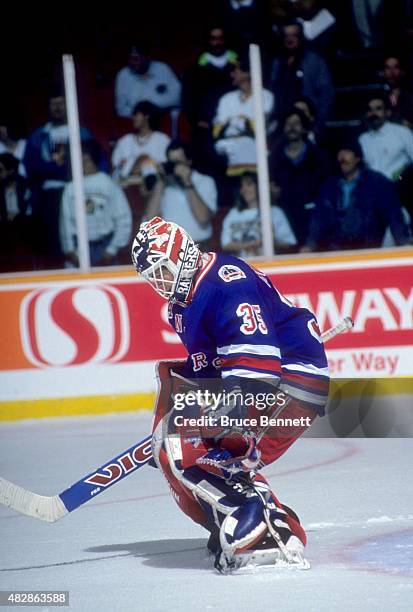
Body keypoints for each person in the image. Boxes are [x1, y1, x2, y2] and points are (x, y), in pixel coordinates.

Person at [131, 216, 330, 572]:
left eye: (161, 270)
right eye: (151, 277)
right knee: (174, 447)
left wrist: (221, 422)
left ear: (181, 255)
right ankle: (230, 519)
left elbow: (258, 366)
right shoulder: (180, 305)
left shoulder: (227, 281)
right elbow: (208, 370)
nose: (157, 283)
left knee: (208, 451)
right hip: (262, 380)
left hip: (292, 382)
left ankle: (268, 531)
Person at [23, 92, 93, 269]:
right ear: (48, 108)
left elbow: (89, 161)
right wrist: (58, 168)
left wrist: (54, 168)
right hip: (47, 197)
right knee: (50, 241)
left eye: (61, 104)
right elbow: (32, 166)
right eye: (54, 104)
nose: (58, 108)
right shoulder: (38, 135)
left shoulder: (81, 132)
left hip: (75, 191)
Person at [303, 141, 411, 252]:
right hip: (334, 252)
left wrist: (404, 243)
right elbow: (317, 220)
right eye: (340, 152)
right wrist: (309, 245)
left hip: (367, 251)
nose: (342, 157)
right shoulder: (329, 186)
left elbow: (394, 216)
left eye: (347, 152)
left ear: (358, 158)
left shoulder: (377, 183)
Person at [60, 140, 132, 267]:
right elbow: (65, 223)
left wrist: (112, 250)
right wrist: (70, 250)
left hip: (104, 246)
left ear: (88, 158)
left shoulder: (109, 184)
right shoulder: (70, 188)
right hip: (78, 248)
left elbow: (123, 219)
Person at [270, 108, 329, 247]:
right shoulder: (274, 157)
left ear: (304, 128)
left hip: (312, 215)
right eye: (288, 124)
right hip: (285, 215)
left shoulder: (318, 156)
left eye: (296, 123)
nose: (292, 128)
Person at [144, 140, 217, 248]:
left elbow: (203, 218)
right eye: (171, 162)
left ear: (189, 161)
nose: (174, 167)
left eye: (178, 162)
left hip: (199, 248)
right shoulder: (164, 185)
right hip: (170, 250)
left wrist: (188, 182)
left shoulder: (205, 181)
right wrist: (160, 181)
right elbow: (149, 219)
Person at [213, 54, 274, 179]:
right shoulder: (226, 99)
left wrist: (237, 123)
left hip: (256, 153)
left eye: (235, 71)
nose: (232, 74)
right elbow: (218, 130)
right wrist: (243, 123)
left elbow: (259, 128)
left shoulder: (266, 96)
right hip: (228, 154)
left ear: (247, 73)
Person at [270, 20, 334, 133]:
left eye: (294, 35)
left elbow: (326, 93)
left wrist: (317, 123)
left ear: (301, 37)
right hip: (284, 119)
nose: (290, 39)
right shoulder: (277, 62)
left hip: (308, 119)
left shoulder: (315, 61)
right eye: (286, 36)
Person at [221, 171, 297, 256]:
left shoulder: (275, 212)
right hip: (240, 265)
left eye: (249, 184)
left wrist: (268, 242)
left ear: (260, 186)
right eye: (242, 186)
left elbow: (289, 242)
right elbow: (225, 244)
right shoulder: (233, 213)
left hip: (267, 262)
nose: (244, 189)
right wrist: (249, 245)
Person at [114, 45, 181, 118]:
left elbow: (177, 97)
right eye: (130, 58)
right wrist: (142, 113)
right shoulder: (123, 75)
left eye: (136, 58)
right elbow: (121, 109)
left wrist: (156, 110)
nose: (132, 62)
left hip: (165, 117)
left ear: (147, 58)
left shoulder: (163, 68)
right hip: (138, 121)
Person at [358, 94, 413, 181]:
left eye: (378, 109)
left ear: (387, 112)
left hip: (399, 186)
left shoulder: (402, 133)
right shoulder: (362, 139)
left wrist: (402, 179)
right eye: (370, 110)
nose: (373, 113)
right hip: (371, 189)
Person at [111, 101, 171, 181]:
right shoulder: (125, 140)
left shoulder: (162, 139)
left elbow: (166, 167)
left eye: (136, 114)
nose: (133, 118)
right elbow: (116, 168)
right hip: (126, 185)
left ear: (147, 116)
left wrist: (143, 162)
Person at [0, 152, 33, 271]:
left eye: (1, 170)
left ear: (11, 171)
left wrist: (18, 214)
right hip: (4, 227)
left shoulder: (25, 184)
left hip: (23, 225)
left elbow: (30, 208)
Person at [381, 55, 413, 127]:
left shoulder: (410, 95)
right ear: (383, 72)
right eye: (388, 68)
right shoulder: (379, 96)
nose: (392, 72)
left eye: (396, 67)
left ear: (402, 71)